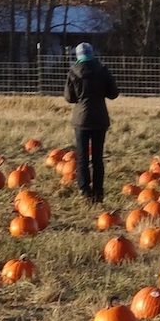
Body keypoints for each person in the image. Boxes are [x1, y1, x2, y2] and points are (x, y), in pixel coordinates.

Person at [63, 42, 119, 203]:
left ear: (78, 56)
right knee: (97, 158)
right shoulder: (103, 70)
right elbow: (113, 94)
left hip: (81, 121)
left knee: (82, 157)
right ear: (92, 54)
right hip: (100, 119)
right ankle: (98, 192)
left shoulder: (73, 72)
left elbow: (69, 98)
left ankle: (84, 190)